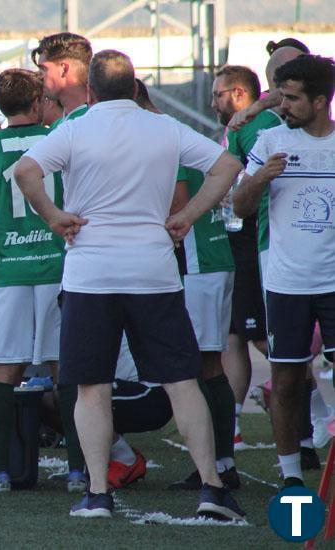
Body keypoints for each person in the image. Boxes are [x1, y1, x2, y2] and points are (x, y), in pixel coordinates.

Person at [14, 49, 244, 520]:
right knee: (183, 382)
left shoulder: (74, 128)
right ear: (136, 86)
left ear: (92, 90)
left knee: (91, 388)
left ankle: (98, 493)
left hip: (90, 275)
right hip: (153, 273)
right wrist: (188, 216)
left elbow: (24, 172)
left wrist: (56, 217)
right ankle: (212, 488)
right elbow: (226, 166)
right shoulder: (162, 126)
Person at [231, 54, 335, 489]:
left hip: (333, 284)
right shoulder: (270, 141)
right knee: (287, 380)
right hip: (285, 284)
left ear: (320, 101)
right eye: (280, 96)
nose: (283, 106)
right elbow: (239, 206)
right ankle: (292, 477)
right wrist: (259, 180)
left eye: (291, 98)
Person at [134, 81, 240, 491]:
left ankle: (221, 463)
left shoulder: (162, 134)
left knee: (205, 365)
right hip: (208, 260)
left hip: (201, 263)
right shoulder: (176, 131)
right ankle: (219, 460)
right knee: (204, 362)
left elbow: (176, 205)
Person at [0, 68, 64, 493]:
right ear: (38, 100)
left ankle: (0, 471)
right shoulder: (60, 138)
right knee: (67, 370)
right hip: (60, 268)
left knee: (1, 371)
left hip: (9, 271)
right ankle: (81, 470)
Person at [31, 31, 93, 492]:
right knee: (81, 368)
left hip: (109, 265)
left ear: (66, 70)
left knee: (173, 379)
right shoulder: (69, 123)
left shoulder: (87, 121)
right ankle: (98, 463)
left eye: (45, 69)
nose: (40, 78)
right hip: (87, 263)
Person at [210, 65, 275, 451]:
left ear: (238, 94)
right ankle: (231, 424)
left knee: (269, 340)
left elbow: (235, 185)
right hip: (240, 238)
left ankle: (310, 421)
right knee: (235, 335)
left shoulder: (257, 125)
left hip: (255, 237)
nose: (212, 101)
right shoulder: (241, 126)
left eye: (218, 94)